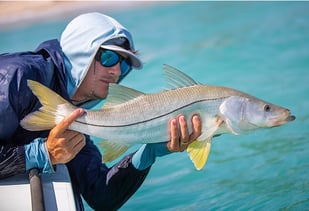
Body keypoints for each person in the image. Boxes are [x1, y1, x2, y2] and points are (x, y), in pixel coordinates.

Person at [0, 13, 201, 210]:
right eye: (108, 57)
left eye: (124, 63)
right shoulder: (15, 76)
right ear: (81, 54)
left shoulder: (75, 119)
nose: (117, 71)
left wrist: (150, 152)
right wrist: (43, 154)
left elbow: (103, 196)